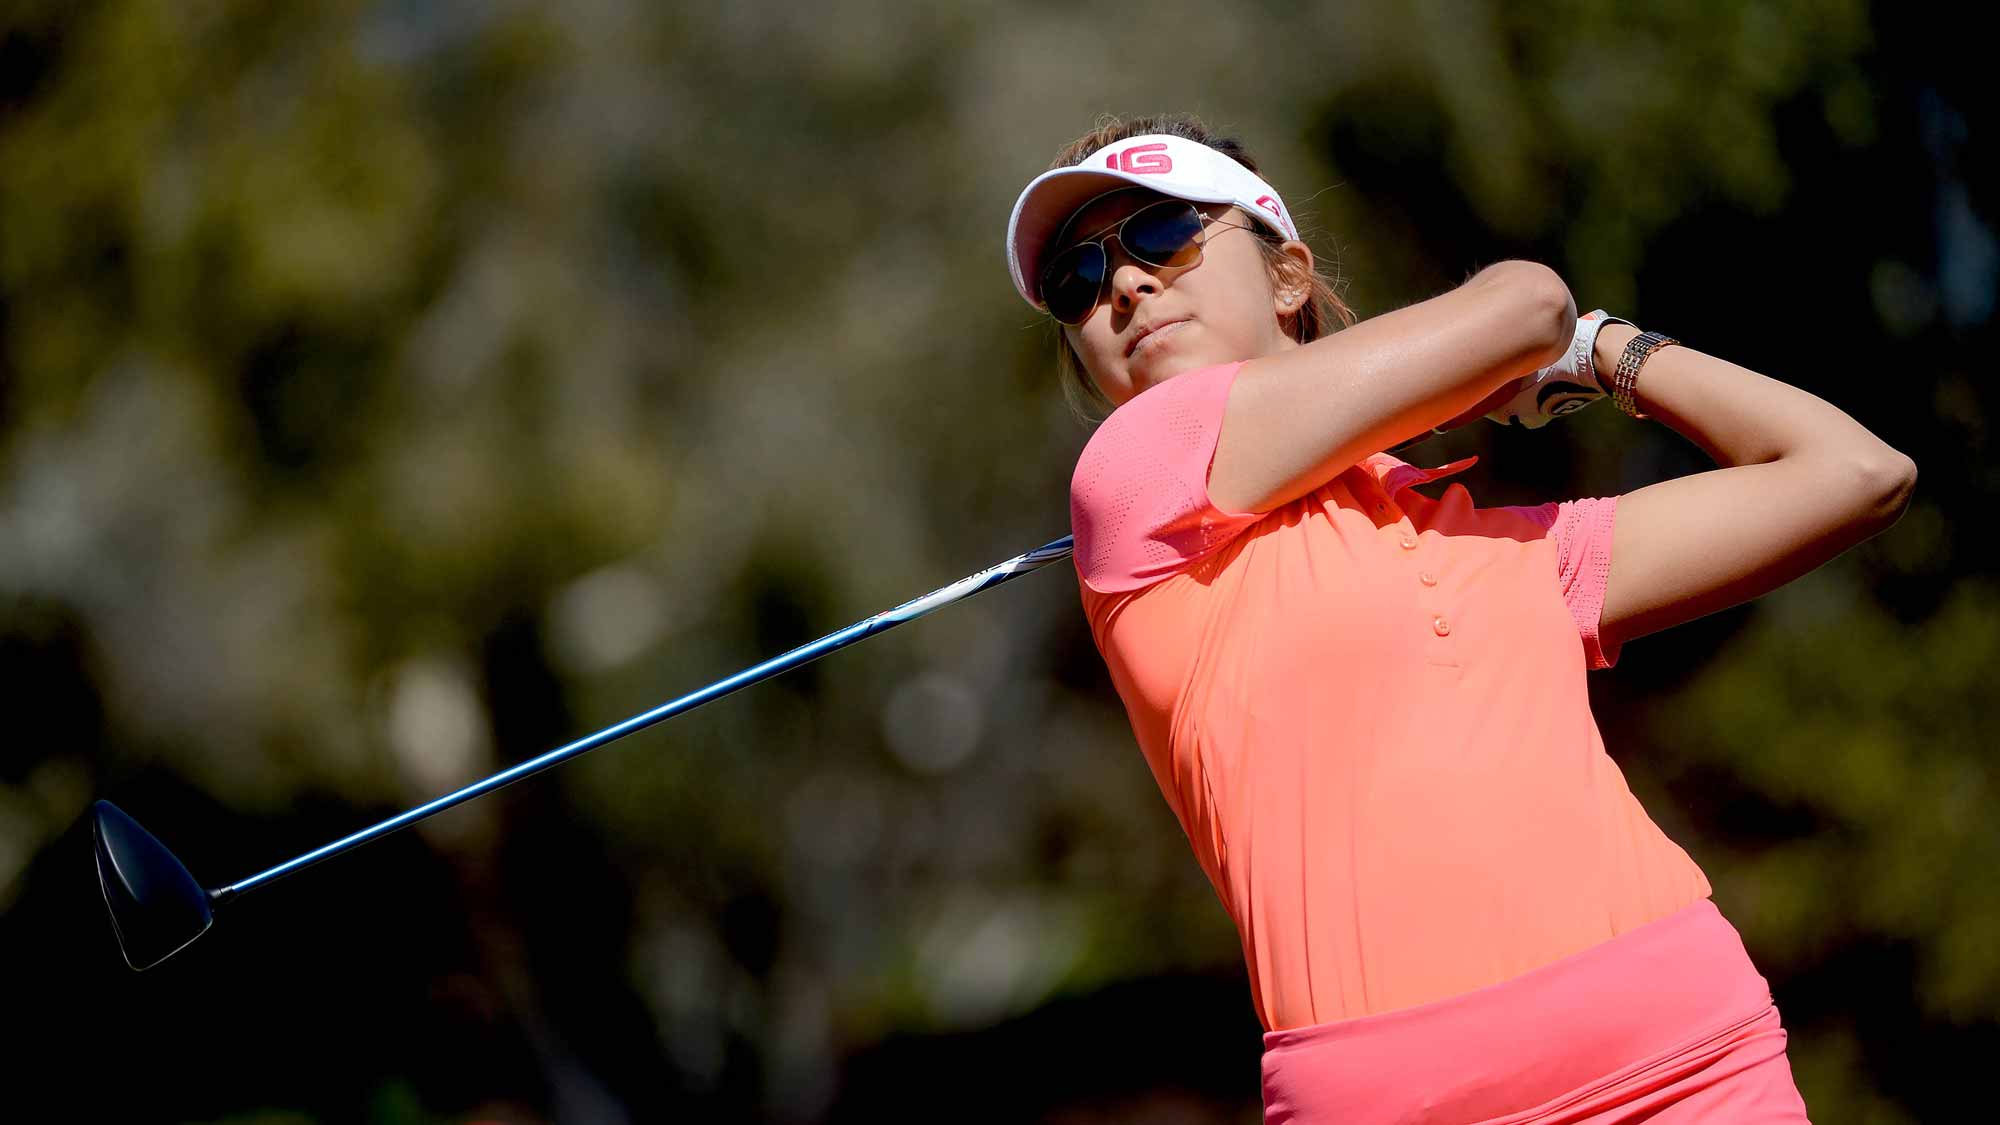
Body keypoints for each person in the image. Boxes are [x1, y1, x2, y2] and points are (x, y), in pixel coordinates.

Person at [1005, 113, 1916, 1123]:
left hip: (1689, 1060)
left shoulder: (1506, 548)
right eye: (1076, 283)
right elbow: (1523, 303)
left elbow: (1854, 474)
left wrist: (1601, 349)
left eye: (1162, 233)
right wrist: (1533, 343)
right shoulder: (1130, 475)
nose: (1123, 285)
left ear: (1285, 277)